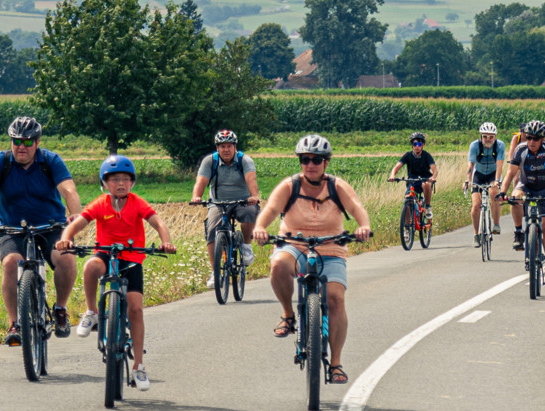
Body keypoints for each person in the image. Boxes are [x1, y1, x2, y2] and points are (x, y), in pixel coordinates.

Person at [255, 135, 372, 383]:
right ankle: (288, 315)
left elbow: (356, 207)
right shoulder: (290, 186)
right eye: (305, 159)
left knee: (335, 299)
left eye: (316, 160)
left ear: (326, 162)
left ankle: (336, 363)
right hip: (294, 245)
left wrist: (364, 226)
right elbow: (271, 210)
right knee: (278, 264)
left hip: (331, 249)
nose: (310, 164)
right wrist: (260, 228)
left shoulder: (337, 187)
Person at [56, 156, 176, 391]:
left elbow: (158, 223)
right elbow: (77, 223)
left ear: (132, 182)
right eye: (114, 179)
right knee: (91, 266)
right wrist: (66, 238)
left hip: (132, 259)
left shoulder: (137, 203)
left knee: (136, 309)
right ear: (105, 183)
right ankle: (92, 311)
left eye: (125, 179)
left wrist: (166, 241)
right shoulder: (100, 204)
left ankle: (138, 366)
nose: (120, 183)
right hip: (106, 254)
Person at [0, 116, 82, 345]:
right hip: (13, 228)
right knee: (10, 263)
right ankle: (15, 323)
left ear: (37, 142)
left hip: (51, 225)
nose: (22, 146)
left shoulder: (50, 161)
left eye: (28, 142)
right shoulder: (0, 162)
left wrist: (75, 215)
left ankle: (60, 308)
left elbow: (69, 190)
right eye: (17, 141)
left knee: (66, 257)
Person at [190, 128, 261, 271]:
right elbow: (201, 181)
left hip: (242, 202)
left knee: (250, 213)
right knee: (211, 230)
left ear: (235, 147)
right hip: (218, 203)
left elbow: (251, 179)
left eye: (229, 146)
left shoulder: (244, 160)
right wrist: (196, 196)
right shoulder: (210, 161)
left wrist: (254, 196)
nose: (226, 150)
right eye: (223, 146)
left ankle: (246, 245)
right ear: (217, 148)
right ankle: (215, 272)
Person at [509, 119, 545, 283]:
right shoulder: (520, 149)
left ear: (542, 139)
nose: (531, 141)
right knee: (515, 197)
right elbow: (511, 172)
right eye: (529, 137)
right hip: (525, 185)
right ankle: (519, 232)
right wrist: (503, 192)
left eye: (536, 138)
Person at [467, 122, 506, 242]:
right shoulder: (474, 145)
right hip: (478, 175)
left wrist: (497, 181)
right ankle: (476, 234)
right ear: (481, 136)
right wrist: (467, 180)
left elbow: (499, 164)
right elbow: (471, 165)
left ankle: (496, 224)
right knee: (476, 205)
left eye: (491, 137)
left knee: (494, 193)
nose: (488, 139)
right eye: (485, 136)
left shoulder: (500, 145)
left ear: (495, 137)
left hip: (493, 175)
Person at [388, 132, 436, 211]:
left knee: (426, 184)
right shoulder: (408, 155)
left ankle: (428, 207)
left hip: (425, 179)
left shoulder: (426, 155)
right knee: (407, 199)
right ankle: (407, 219)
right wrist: (392, 175)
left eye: (419, 144)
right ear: (412, 145)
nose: (417, 146)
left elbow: (435, 170)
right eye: (415, 144)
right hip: (412, 181)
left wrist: (433, 177)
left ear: (423, 145)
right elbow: (396, 168)